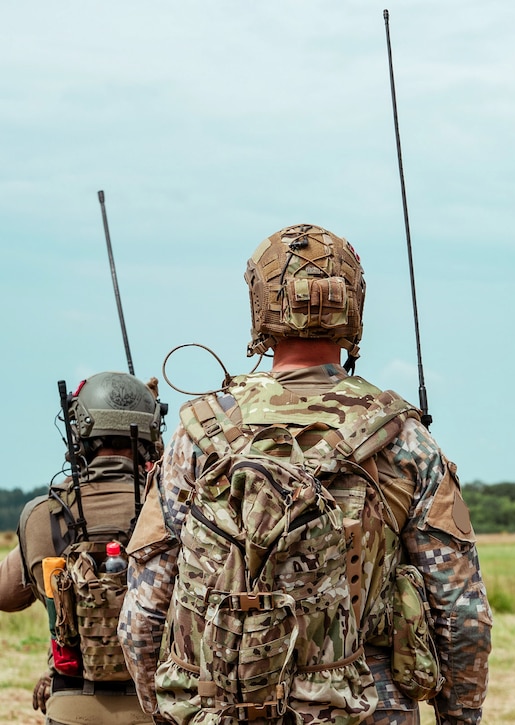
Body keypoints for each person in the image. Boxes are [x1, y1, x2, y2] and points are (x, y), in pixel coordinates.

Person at [118, 223, 491, 725]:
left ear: (261, 306)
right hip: (368, 706)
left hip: (223, 707)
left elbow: (144, 611)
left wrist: (162, 708)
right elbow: (461, 611)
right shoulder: (403, 438)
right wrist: (460, 717)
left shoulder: (198, 435)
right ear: (353, 306)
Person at [0, 371, 164, 725]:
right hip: (160, 707)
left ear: (80, 435)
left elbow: (6, 597)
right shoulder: (174, 507)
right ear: (152, 434)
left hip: (72, 706)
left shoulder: (43, 513)